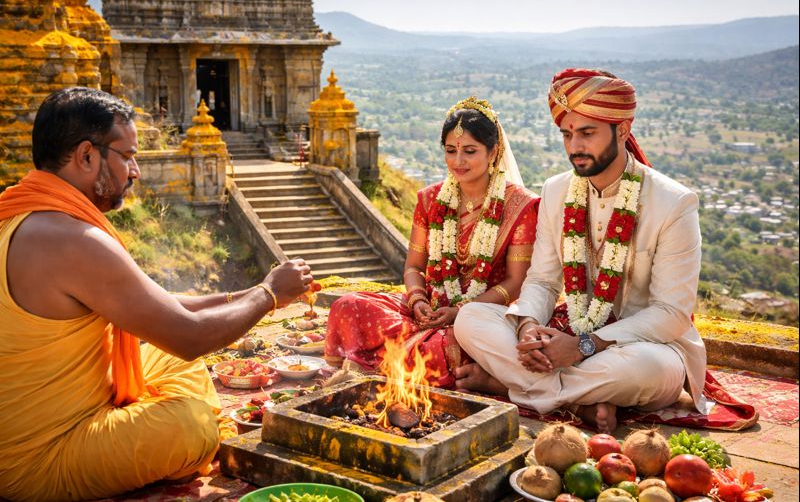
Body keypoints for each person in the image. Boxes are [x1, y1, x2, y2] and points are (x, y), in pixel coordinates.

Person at [0, 87, 314, 500]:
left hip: (35, 422)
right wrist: (270, 295)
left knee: (162, 357)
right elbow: (189, 336)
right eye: (127, 156)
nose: (135, 171)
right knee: (193, 425)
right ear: (87, 156)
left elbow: (160, 304)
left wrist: (250, 292)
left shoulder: (23, 214)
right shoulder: (71, 240)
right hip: (39, 458)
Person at [454, 69, 707, 434]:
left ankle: (508, 386)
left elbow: (672, 313)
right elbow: (542, 280)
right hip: (566, 335)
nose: (574, 146)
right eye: (567, 134)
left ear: (622, 130)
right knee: (471, 318)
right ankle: (575, 401)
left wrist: (585, 346)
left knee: (650, 370)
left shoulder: (673, 202)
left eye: (587, 133)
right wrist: (527, 328)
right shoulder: (557, 190)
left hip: (641, 347)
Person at [324, 96, 540, 387]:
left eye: (470, 151)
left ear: (493, 152)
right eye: (451, 151)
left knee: (440, 351)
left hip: (479, 319)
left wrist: (461, 311)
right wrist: (417, 300)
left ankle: (380, 364)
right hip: (429, 309)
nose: (458, 161)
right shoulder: (430, 199)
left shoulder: (521, 206)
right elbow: (414, 266)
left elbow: (516, 283)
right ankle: (395, 363)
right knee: (346, 306)